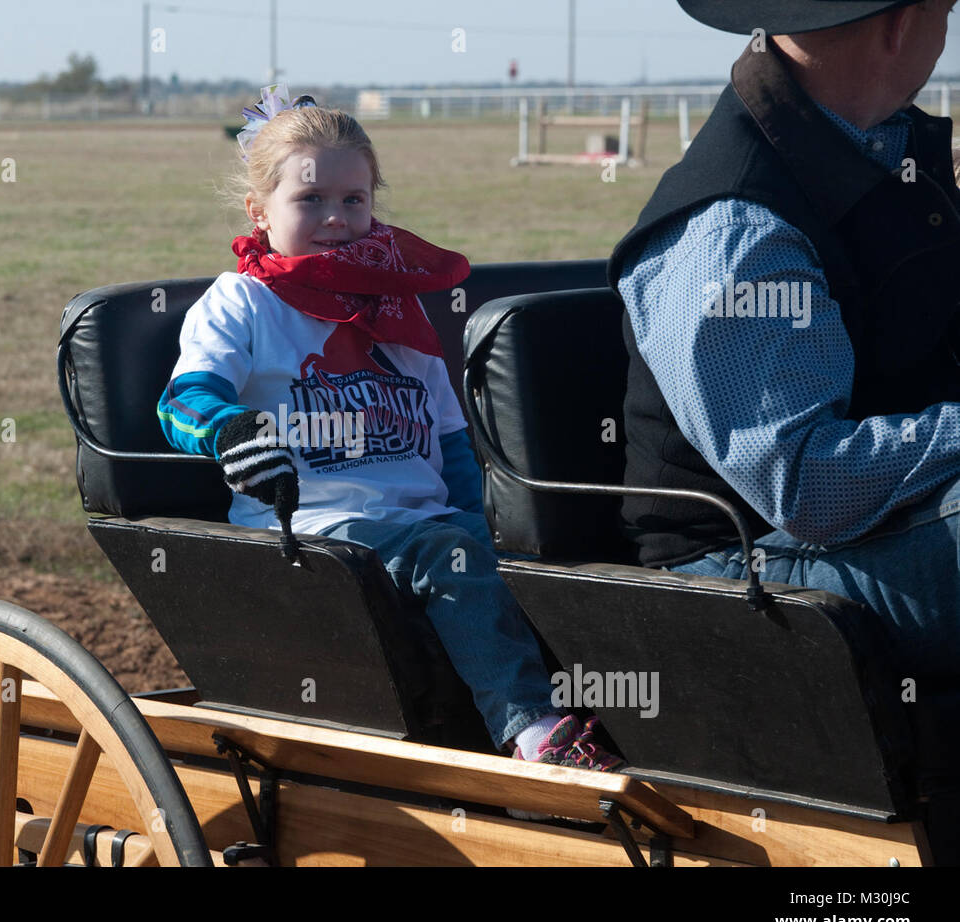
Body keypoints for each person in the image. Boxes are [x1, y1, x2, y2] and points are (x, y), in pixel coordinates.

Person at [157, 84, 622, 777]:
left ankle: (628, 727)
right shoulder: (242, 302)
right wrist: (230, 434)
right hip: (312, 535)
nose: (337, 219)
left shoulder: (398, 310)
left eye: (354, 200)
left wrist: (491, 534)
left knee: (533, 555)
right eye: (309, 200)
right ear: (259, 211)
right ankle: (530, 737)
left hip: (424, 528)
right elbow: (182, 401)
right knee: (448, 552)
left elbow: (451, 445)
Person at [609, 0, 960, 853]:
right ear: (899, 25)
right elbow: (805, 484)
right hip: (747, 568)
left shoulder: (882, 155)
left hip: (870, 529)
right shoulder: (736, 222)